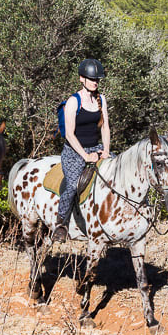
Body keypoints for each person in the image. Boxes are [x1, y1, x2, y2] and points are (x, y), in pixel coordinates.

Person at [53, 58, 112, 242]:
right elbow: (69, 134)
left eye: (97, 79)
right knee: (71, 186)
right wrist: (86, 156)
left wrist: (107, 150)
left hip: (96, 148)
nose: (95, 82)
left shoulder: (101, 99)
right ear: (81, 79)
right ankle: (61, 224)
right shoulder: (73, 101)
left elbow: (105, 128)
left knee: (117, 171)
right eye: (91, 78)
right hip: (74, 152)